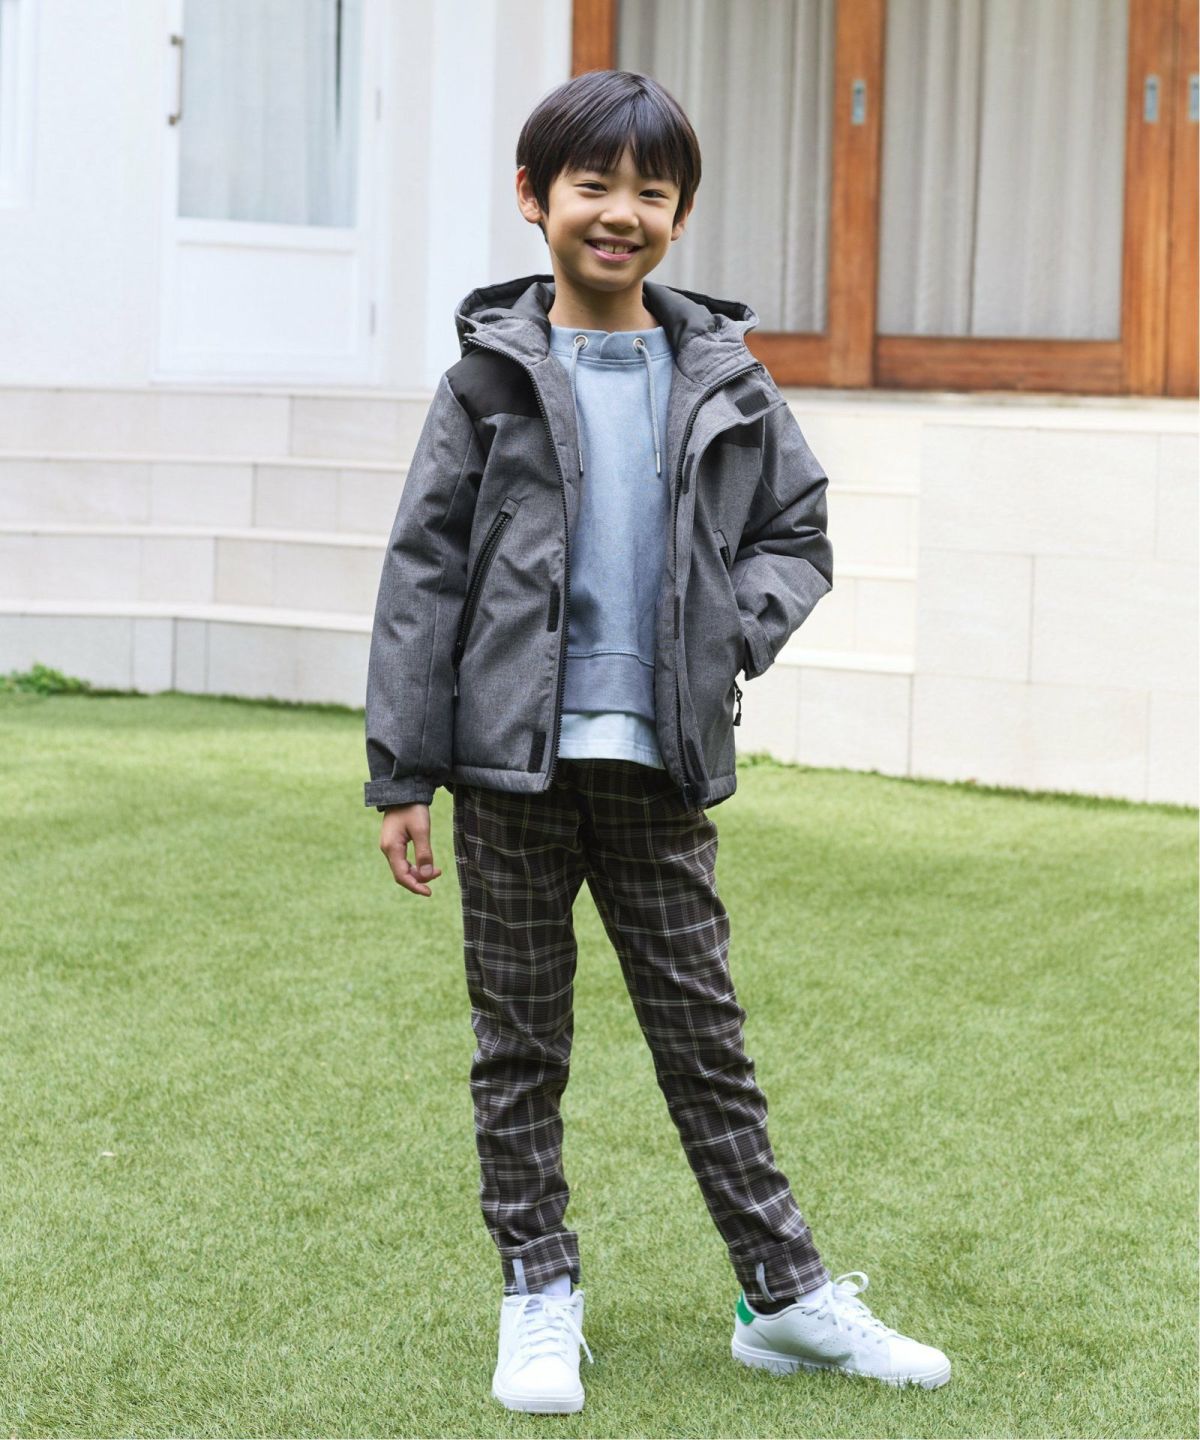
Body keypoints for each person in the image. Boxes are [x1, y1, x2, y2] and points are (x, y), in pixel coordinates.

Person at [364, 68, 951, 1414]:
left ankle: (784, 1301)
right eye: (593, 184)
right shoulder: (484, 382)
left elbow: (799, 533)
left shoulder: (725, 379)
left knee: (705, 1041)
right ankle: (538, 1295)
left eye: (651, 190)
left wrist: (727, 633)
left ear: (681, 214)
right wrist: (402, 772)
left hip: (660, 768)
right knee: (520, 1047)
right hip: (507, 775)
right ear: (535, 198)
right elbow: (422, 578)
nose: (620, 212)